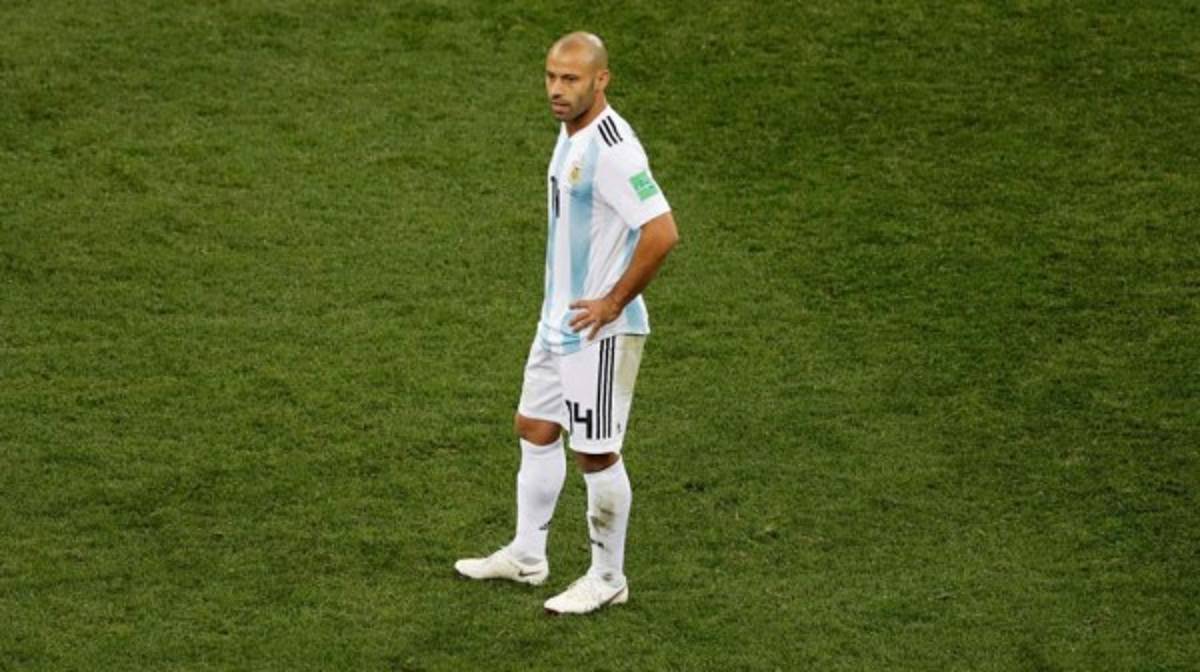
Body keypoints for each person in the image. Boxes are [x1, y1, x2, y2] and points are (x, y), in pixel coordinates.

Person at [455, 31, 679, 616]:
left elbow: (662, 232)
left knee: (596, 454)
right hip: (557, 321)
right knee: (534, 427)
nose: (557, 89)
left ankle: (608, 578)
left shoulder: (614, 150)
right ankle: (528, 556)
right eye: (551, 77)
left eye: (571, 79)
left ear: (601, 80)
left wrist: (611, 303)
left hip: (597, 331)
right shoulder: (571, 130)